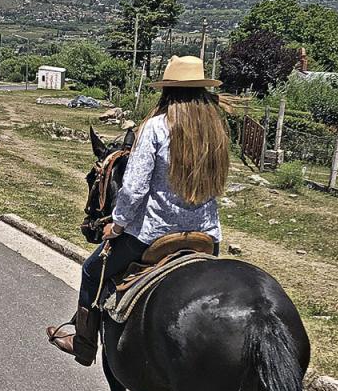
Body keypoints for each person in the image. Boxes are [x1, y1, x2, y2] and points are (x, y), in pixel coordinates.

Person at [46, 55, 230, 365]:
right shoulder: (215, 131)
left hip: (153, 235)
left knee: (92, 270)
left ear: (167, 92)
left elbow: (133, 190)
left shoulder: (157, 127)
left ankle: (84, 342)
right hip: (206, 237)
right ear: (201, 91)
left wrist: (116, 226)